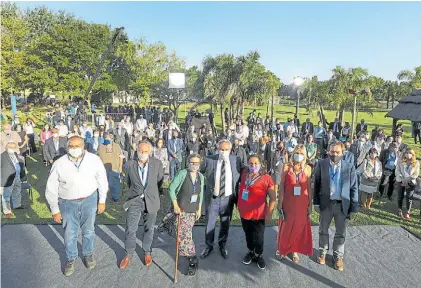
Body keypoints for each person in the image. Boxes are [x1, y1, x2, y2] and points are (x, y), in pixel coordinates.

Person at [45, 136, 108, 276]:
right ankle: (71, 258)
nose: (75, 149)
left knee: (89, 231)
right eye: (72, 146)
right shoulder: (59, 163)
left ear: (83, 145)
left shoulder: (94, 160)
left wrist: (102, 200)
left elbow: (102, 179)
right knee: (70, 233)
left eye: (77, 145)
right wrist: (55, 209)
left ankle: (88, 254)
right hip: (68, 203)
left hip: (89, 200)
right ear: (68, 148)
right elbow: (51, 188)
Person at [313, 141, 358, 272]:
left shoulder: (349, 167)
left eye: (337, 152)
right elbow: (316, 185)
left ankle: (338, 256)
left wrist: (354, 208)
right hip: (326, 204)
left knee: (340, 232)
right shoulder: (321, 164)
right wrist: (316, 202)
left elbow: (354, 188)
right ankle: (322, 252)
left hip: (342, 206)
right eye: (332, 152)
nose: (334, 154)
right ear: (328, 151)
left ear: (342, 153)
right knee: (323, 229)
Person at [119, 141, 164, 270]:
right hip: (134, 200)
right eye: (140, 151)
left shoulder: (157, 164)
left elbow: (160, 182)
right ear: (136, 151)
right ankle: (128, 253)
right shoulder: (130, 165)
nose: (142, 153)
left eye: (145, 151)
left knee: (149, 228)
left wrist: (153, 193)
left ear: (150, 152)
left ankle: (147, 252)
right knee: (130, 228)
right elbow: (128, 182)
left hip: (151, 200)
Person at [162, 154, 204, 276]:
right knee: (182, 233)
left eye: (197, 163)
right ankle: (189, 253)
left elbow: (201, 194)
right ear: (188, 162)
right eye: (192, 162)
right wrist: (175, 205)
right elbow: (171, 189)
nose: (194, 165)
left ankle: (192, 259)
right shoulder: (182, 174)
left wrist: (199, 209)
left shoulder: (201, 177)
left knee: (185, 235)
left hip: (192, 210)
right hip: (181, 209)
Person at [200, 139, 241, 260]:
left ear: (230, 149)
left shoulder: (236, 160)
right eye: (221, 149)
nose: (224, 152)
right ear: (217, 149)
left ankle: (222, 245)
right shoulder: (209, 159)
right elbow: (198, 171)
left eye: (226, 150)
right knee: (210, 223)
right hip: (213, 198)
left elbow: (244, 173)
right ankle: (208, 246)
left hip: (228, 199)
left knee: (225, 223)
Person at [237, 155, 276, 270]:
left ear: (260, 164)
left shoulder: (266, 178)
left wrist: (269, 213)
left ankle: (259, 255)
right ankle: (251, 251)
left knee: (259, 238)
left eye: (255, 163)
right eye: (250, 163)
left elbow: (273, 197)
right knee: (248, 235)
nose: (253, 165)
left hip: (259, 214)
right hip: (245, 212)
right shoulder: (244, 174)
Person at [276, 144, 313, 263]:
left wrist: (310, 204)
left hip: (302, 203)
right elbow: (281, 185)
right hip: (288, 202)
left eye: (301, 153)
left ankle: (294, 250)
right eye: (297, 153)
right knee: (286, 227)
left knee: (298, 227)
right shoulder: (286, 167)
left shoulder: (307, 168)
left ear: (305, 155)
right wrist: (280, 201)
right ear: (293, 153)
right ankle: (281, 248)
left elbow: (308, 187)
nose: (299, 155)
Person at [1, 141, 26, 218]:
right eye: (10, 147)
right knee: (6, 195)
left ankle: (17, 205)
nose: (12, 149)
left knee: (17, 190)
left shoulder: (15, 154)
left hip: (17, 176)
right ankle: (7, 211)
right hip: (7, 178)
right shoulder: (2, 156)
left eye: (13, 147)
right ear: (7, 148)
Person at [394, 149, 420, 220]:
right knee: (400, 196)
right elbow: (397, 171)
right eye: (406, 153)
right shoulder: (400, 161)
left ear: (413, 154)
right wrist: (403, 180)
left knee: (409, 198)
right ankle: (399, 209)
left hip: (411, 182)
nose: (408, 154)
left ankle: (408, 212)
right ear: (404, 154)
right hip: (401, 181)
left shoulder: (416, 162)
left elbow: (416, 174)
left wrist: (407, 181)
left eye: (410, 153)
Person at [98, 134, 123, 202]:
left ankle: (115, 196)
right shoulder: (101, 146)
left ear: (112, 139)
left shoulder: (117, 146)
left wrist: (120, 167)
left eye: (108, 139)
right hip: (104, 169)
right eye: (105, 138)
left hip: (114, 168)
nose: (106, 140)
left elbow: (121, 157)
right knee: (104, 184)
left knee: (115, 184)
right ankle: (103, 196)